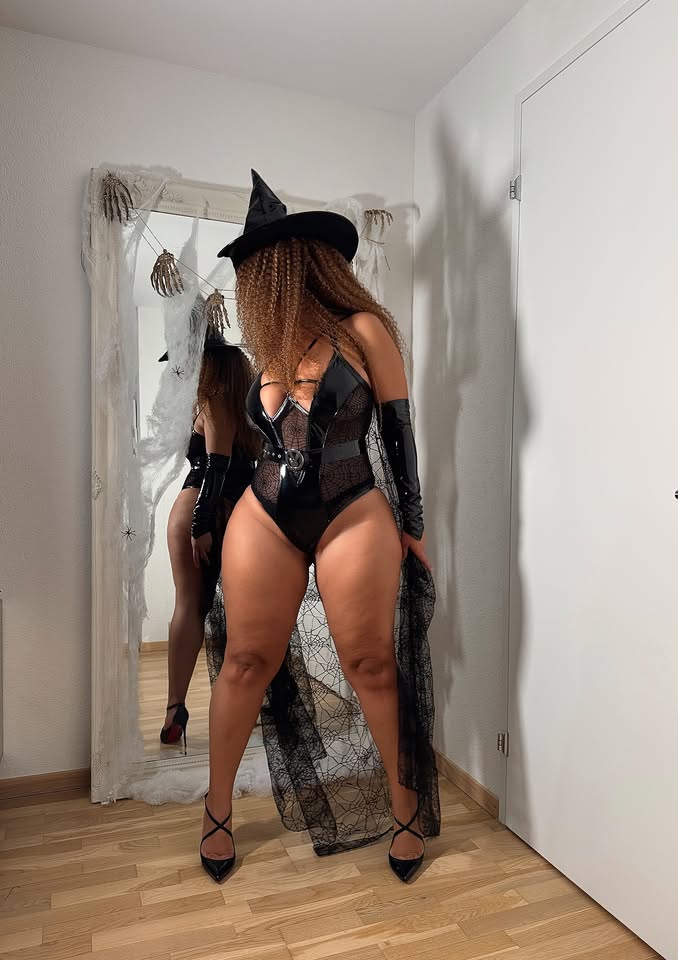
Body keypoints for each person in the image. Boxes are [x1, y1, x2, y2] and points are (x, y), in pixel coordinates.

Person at [199, 170, 439, 883]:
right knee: (246, 661)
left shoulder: (364, 331)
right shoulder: (266, 352)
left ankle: (405, 810)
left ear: (287, 265)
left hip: (351, 507)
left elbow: (398, 432)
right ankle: (216, 811)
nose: (249, 286)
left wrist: (414, 523)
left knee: (370, 664)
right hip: (264, 513)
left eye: (255, 272)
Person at [160, 319, 258, 752]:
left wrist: (201, 525)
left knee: (189, 606)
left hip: (203, 507)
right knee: (242, 613)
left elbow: (216, 465)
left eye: (188, 360)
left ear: (207, 361)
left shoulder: (213, 398)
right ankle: (248, 705)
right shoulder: (245, 401)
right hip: (238, 509)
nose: (185, 369)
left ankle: (175, 709)